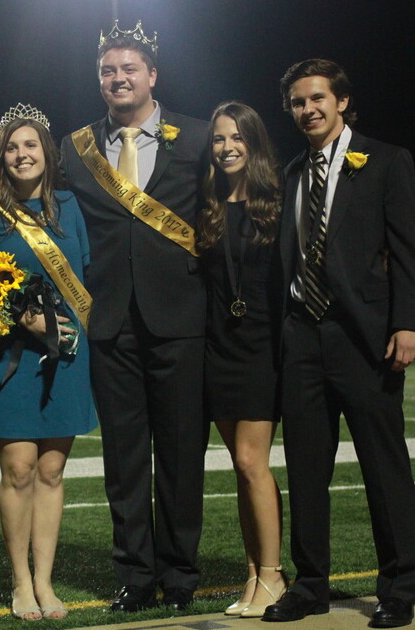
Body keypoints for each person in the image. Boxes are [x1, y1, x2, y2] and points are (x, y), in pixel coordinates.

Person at [59, 20, 209, 612]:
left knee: (180, 454)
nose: (117, 79)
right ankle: (135, 575)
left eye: (128, 69)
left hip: (181, 318)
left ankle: (180, 574)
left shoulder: (197, 139)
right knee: (124, 460)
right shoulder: (76, 148)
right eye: (107, 72)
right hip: (110, 321)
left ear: (152, 76)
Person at [262, 59, 415, 628]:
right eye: (298, 102)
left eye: (318, 98)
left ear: (342, 101)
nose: (308, 109)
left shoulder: (386, 161)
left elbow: (406, 252)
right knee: (305, 469)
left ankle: (401, 585)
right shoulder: (292, 171)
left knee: (384, 466)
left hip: (365, 337)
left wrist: (407, 323)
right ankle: (311, 585)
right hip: (302, 334)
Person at [0, 105, 95, 621]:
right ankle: (20, 582)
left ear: (47, 153)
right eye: (13, 147)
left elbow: (81, 281)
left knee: (52, 469)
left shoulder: (69, 206)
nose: (22, 155)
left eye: (31, 146)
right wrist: (25, 320)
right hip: (7, 355)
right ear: (2, 157)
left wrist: (64, 333)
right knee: (18, 469)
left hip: (66, 352)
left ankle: (45, 582)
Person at [196, 102, 286, 618]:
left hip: (260, 347)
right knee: (240, 466)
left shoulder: (275, 201)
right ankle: (254, 573)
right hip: (219, 348)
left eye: (236, 138)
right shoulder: (208, 203)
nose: (227, 147)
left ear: (253, 142)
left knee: (254, 463)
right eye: (218, 140)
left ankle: (273, 575)